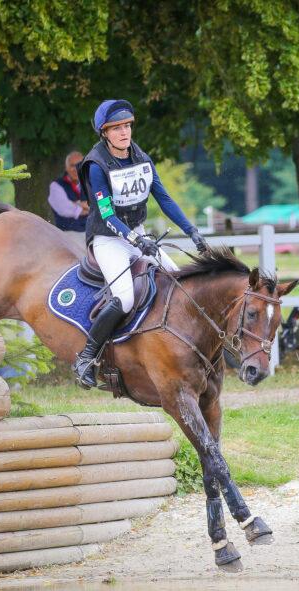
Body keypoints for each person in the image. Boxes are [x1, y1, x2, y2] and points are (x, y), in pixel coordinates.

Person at [72, 99, 209, 388]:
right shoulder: (95, 165)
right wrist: (136, 240)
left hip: (138, 234)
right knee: (124, 297)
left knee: (179, 284)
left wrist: (191, 230)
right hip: (108, 239)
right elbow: (107, 214)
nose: (124, 133)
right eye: (116, 128)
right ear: (104, 133)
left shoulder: (141, 158)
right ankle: (86, 357)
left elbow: (165, 198)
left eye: (127, 126)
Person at [47, 151, 89, 231]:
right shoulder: (56, 186)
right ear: (66, 168)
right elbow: (64, 210)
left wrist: (77, 203)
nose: (76, 169)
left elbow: (106, 207)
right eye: (72, 166)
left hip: (93, 233)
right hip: (68, 234)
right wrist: (92, 208)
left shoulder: (92, 183)